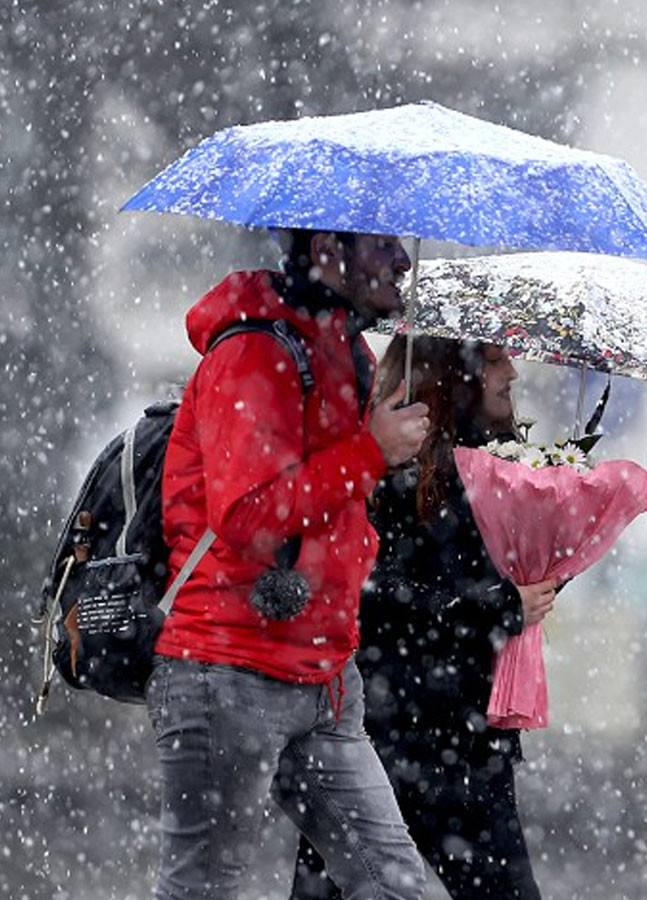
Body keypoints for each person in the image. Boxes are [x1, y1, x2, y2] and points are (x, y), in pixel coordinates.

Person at [153, 229, 432, 900]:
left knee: (393, 885)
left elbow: (336, 505)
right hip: (228, 669)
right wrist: (370, 453)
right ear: (328, 248)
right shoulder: (253, 351)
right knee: (203, 890)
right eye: (381, 244)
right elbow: (247, 515)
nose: (402, 260)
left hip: (324, 676)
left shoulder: (345, 351)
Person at [290, 336, 560, 900]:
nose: (512, 373)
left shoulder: (503, 466)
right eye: (495, 360)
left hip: (467, 739)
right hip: (382, 734)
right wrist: (496, 606)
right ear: (452, 373)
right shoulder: (386, 466)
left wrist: (549, 567)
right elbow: (374, 594)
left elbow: (492, 585)